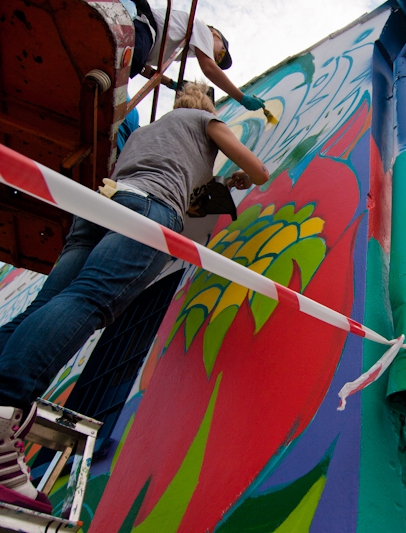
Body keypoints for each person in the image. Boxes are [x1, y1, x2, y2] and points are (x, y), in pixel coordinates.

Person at [0, 82, 267, 515]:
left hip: (101, 206)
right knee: (90, 301)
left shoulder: (149, 132)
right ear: (207, 107)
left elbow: (176, 190)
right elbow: (259, 172)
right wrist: (242, 170)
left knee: (42, 306)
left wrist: (214, 180)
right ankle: (5, 405)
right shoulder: (206, 121)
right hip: (149, 209)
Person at [130, 0, 264, 111]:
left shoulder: (182, 47)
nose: (217, 58)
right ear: (215, 34)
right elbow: (209, 69)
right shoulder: (204, 30)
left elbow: (142, 67)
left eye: (218, 61)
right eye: (222, 52)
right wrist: (241, 98)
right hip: (141, 27)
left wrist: (171, 84)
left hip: (140, 42)